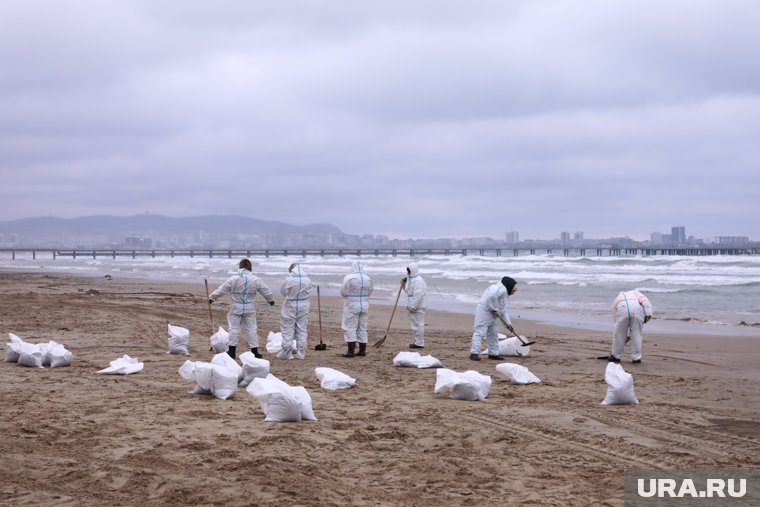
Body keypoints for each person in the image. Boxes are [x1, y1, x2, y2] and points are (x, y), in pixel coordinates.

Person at [208, 258, 275, 359]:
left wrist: (212, 297)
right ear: (250, 268)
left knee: (234, 329)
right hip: (250, 307)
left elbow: (222, 289)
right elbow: (265, 290)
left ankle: (232, 351)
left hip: (236, 307)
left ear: (240, 267)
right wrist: (270, 299)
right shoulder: (255, 279)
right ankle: (255, 352)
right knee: (251, 329)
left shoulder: (233, 279)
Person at [469, 276, 518, 361]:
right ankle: (474, 353)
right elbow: (491, 297)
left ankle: (493, 354)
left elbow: (503, 311)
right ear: (509, 286)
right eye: (513, 291)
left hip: (493, 315)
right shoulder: (496, 289)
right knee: (480, 332)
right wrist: (494, 308)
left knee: (493, 334)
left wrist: (508, 324)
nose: (513, 293)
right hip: (484, 313)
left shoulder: (505, 295)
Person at [277, 262, 313, 360]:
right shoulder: (307, 280)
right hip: (304, 305)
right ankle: (301, 352)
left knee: (287, 327)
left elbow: (283, 291)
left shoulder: (289, 280)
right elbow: (309, 291)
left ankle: (287, 351)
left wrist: (291, 295)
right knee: (302, 328)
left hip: (290, 304)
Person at [608, 290, 653, 364]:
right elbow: (645, 302)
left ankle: (616, 356)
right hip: (637, 310)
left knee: (619, 334)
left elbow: (614, 313)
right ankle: (636, 358)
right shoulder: (635, 293)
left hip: (622, 308)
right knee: (636, 334)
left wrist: (621, 330)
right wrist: (648, 314)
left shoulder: (617, 298)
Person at [340, 260, 374, 357]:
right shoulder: (368, 278)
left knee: (350, 326)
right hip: (364, 303)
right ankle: (362, 350)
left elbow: (343, 292)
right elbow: (370, 291)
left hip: (352, 303)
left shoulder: (349, 278)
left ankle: (351, 351)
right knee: (362, 327)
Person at [402, 262, 427, 349]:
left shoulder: (419, 280)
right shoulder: (411, 279)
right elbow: (409, 292)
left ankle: (420, 343)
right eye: (407, 271)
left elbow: (418, 295)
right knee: (415, 325)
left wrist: (413, 306)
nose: (408, 273)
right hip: (412, 305)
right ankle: (417, 341)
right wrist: (403, 285)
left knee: (419, 324)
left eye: (409, 271)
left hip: (418, 306)